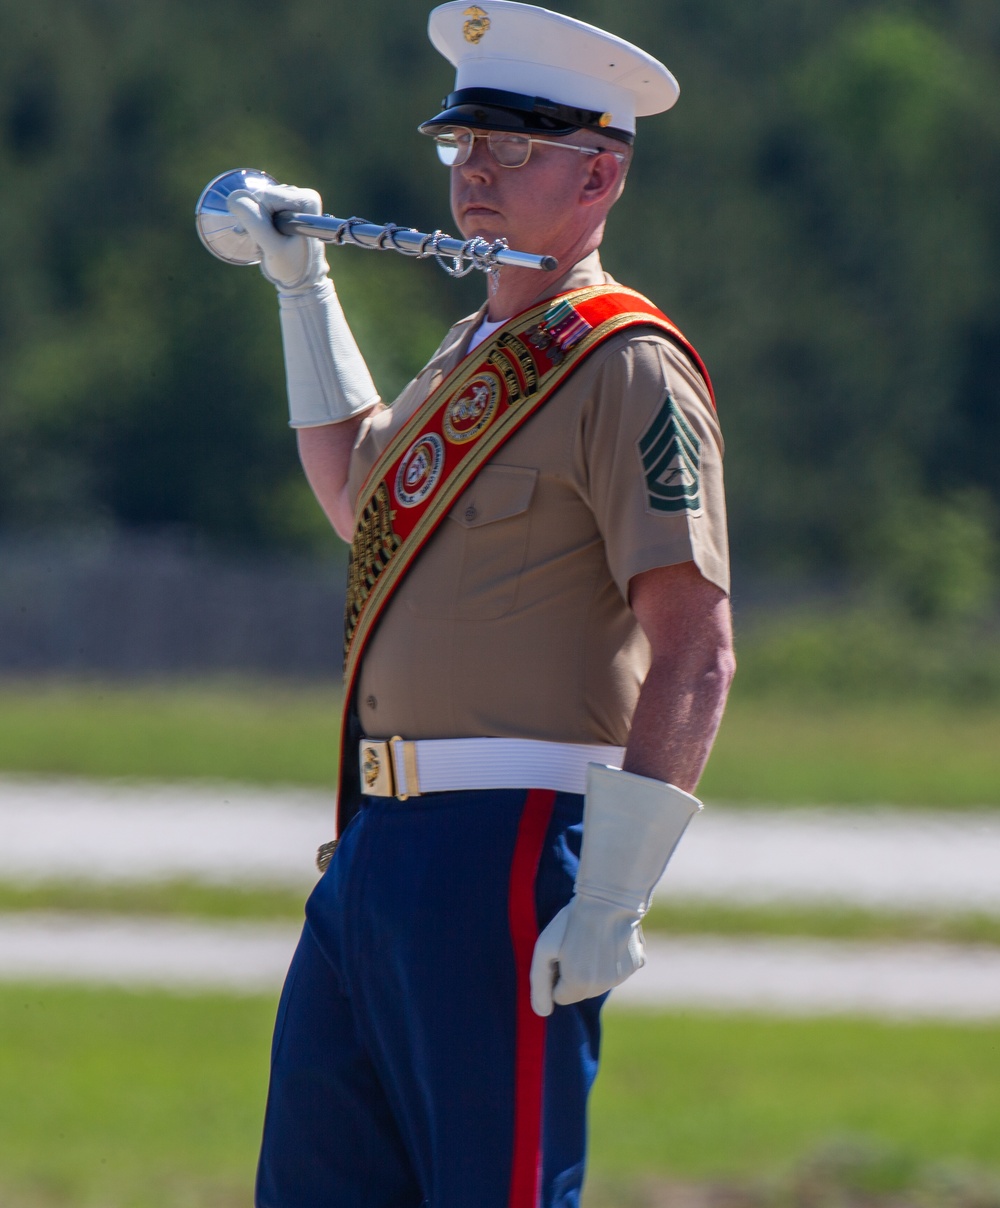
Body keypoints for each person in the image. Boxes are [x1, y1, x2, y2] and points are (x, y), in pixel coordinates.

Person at [228, 3, 735, 1205]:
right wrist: (304, 291)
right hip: (374, 843)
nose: (476, 175)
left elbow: (695, 647)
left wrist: (612, 888)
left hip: (507, 841)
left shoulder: (623, 363)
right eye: (464, 146)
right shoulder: (473, 351)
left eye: (514, 148)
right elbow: (362, 499)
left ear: (599, 172)